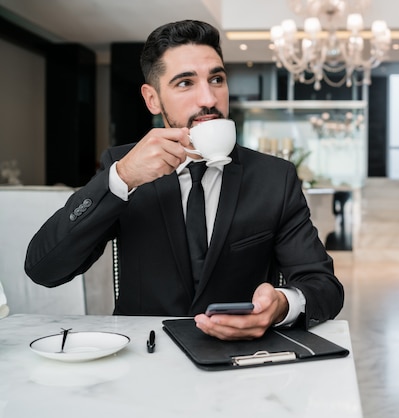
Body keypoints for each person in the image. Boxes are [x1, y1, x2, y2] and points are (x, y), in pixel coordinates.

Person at [24, 20, 344, 340]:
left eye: (216, 79)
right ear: (152, 99)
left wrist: (282, 304)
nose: (208, 98)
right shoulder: (122, 167)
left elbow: (324, 287)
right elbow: (44, 269)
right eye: (185, 83)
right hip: (145, 358)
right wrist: (121, 178)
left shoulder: (275, 177)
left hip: (241, 362)